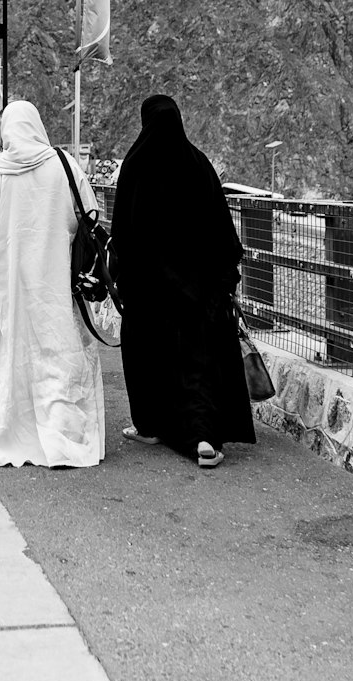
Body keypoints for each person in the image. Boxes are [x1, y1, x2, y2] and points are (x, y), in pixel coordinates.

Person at [109, 94, 256, 470]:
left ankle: (151, 426)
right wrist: (221, 281)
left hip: (148, 292)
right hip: (197, 290)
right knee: (196, 365)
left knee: (147, 359)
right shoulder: (198, 164)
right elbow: (223, 232)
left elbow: (122, 231)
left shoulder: (135, 166)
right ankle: (204, 438)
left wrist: (123, 279)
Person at [0, 101, 105, 469]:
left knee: (13, 349)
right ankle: (61, 431)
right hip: (56, 278)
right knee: (56, 347)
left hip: (10, 284)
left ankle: (12, 428)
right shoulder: (64, 164)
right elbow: (89, 211)